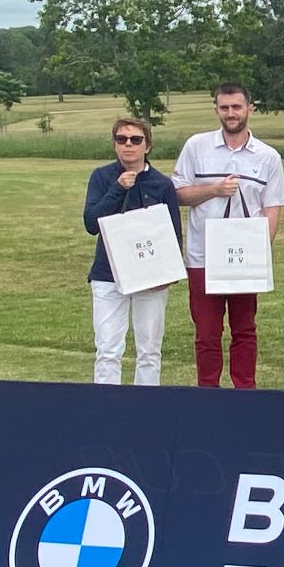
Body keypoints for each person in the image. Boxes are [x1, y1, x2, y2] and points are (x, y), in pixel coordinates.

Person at [172, 84, 284, 389]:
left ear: (250, 108)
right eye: (224, 108)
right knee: (207, 333)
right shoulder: (197, 147)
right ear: (216, 110)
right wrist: (214, 189)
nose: (230, 113)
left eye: (237, 107)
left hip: (244, 258)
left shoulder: (267, 156)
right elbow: (178, 194)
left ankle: (244, 392)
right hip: (203, 257)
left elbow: (272, 208)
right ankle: (208, 392)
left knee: (244, 329)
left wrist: (259, 251)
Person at [82, 116, 183, 385]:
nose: (128, 144)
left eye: (135, 140)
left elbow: (173, 234)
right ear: (115, 144)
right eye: (122, 139)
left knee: (149, 350)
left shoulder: (162, 184)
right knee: (108, 349)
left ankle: (146, 402)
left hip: (150, 276)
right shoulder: (102, 177)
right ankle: (107, 402)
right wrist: (118, 189)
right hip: (108, 274)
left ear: (147, 146)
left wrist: (168, 276)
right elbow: (91, 223)